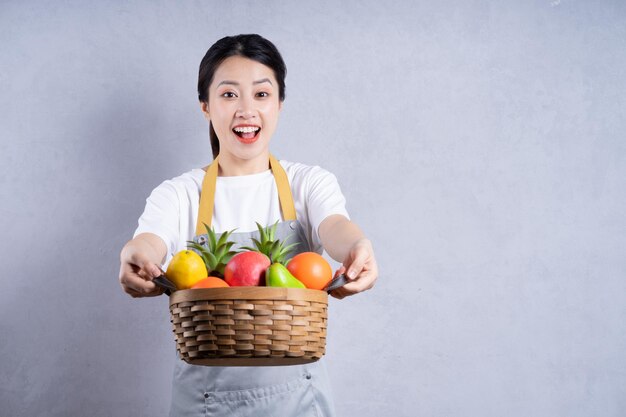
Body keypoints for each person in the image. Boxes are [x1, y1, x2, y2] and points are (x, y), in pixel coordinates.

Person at [119, 34, 378, 417]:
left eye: (261, 94)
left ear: (279, 104)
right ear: (204, 106)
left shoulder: (308, 182)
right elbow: (148, 242)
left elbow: (335, 224)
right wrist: (133, 255)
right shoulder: (179, 194)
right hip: (206, 402)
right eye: (228, 95)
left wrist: (358, 246)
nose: (246, 110)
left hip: (299, 400)